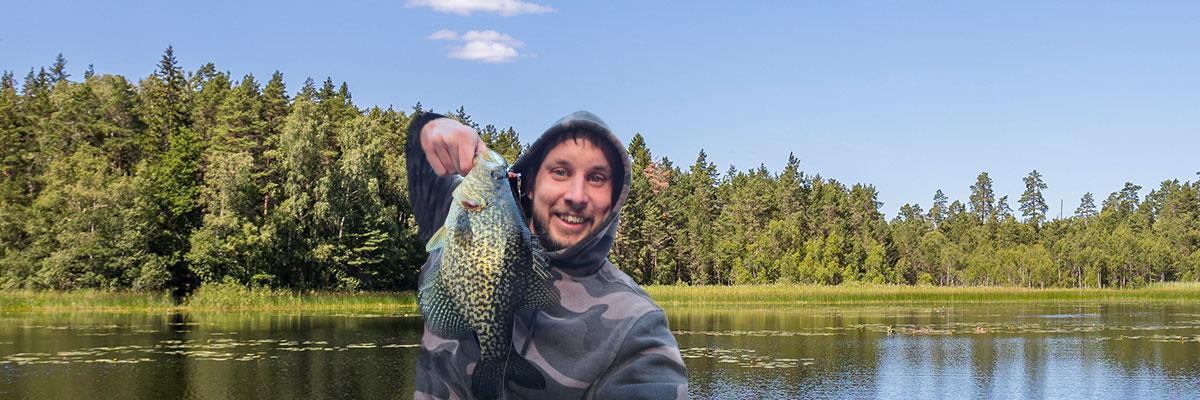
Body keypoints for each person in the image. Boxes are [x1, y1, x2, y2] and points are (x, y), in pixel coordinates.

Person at [407, 110, 688, 399]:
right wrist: (431, 128)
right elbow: (421, 157)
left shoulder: (638, 327)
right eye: (561, 172)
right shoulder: (459, 219)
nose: (576, 196)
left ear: (614, 199)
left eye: (596, 177)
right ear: (529, 183)